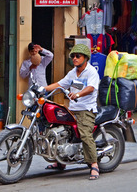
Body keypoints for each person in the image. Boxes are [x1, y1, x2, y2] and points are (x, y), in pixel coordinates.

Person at [44, 44, 101, 180]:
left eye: (77, 56)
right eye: (73, 56)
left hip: (86, 109)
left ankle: (94, 165)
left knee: (85, 135)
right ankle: (60, 162)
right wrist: (43, 88)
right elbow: (60, 84)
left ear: (85, 58)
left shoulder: (91, 71)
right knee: (58, 129)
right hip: (73, 109)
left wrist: (79, 94)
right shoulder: (72, 73)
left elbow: (91, 88)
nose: (74, 58)